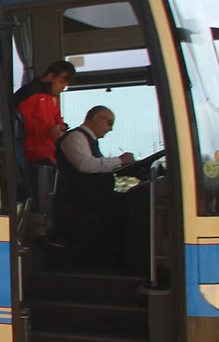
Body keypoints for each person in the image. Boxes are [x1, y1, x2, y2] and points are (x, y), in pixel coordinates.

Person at [56, 105, 137, 267]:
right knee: (133, 205)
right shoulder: (75, 137)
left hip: (96, 199)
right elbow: (85, 164)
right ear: (96, 118)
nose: (110, 129)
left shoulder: (89, 140)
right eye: (109, 123)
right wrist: (120, 161)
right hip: (85, 201)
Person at [15, 60, 76, 167]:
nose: (63, 87)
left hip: (48, 152)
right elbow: (20, 124)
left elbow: (56, 119)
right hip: (31, 154)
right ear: (50, 76)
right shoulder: (28, 93)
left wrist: (61, 127)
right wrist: (49, 129)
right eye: (62, 82)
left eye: (66, 85)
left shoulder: (54, 97)